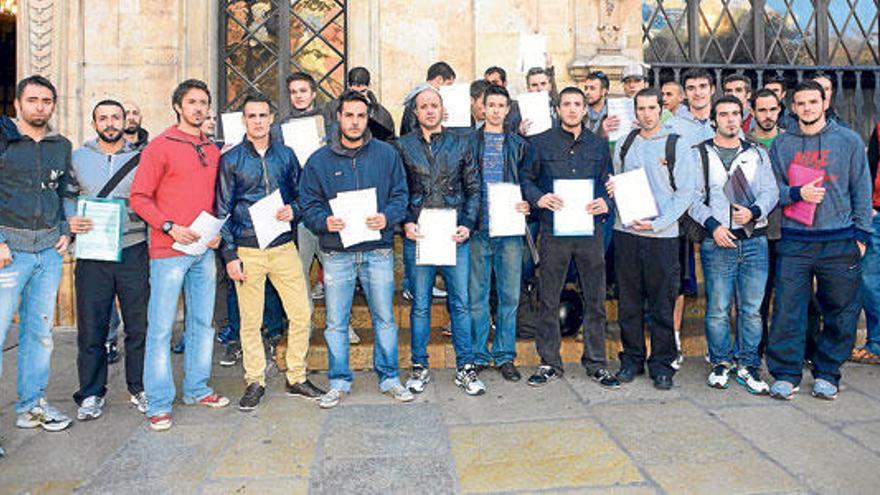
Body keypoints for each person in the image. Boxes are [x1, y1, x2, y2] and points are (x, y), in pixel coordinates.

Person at [300, 90, 414, 408]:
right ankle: (338, 381)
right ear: (338, 117)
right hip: (337, 253)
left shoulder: (387, 155)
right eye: (349, 115)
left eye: (361, 116)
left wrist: (388, 217)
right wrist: (324, 221)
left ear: (369, 118)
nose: (354, 122)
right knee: (336, 321)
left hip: (377, 250)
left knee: (385, 319)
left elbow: (401, 195)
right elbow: (307, 202)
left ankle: (390, 377)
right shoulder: (318, 160)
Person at [131, 79, 230, 431]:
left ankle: (197, 388)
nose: (199, 108)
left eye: (204, 102)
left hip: (203, 250)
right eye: (192, 102)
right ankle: (158, 402)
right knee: (160, 328)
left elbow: (218, 199)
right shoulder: (159, 147)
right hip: (168, 249)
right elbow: (139, 197)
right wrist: (169, 226)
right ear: (178, 106)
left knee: (203, 323)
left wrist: (218, 234)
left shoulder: (213, 149)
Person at [215, 93, 325, 411]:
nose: (259, 121)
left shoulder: (287, 155)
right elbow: (221, 210)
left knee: (301, 313)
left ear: (272, 118)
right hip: (248, 249)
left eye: (263, 115)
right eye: (252, 116)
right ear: (244, 121)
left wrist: (294, 209)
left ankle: (296, 376)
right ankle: (255, 380)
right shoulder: (231, 159)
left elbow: (305, 195)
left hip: (282, 247)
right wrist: (230, 255)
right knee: (250, 321)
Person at [766, 81, 873, 400]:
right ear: (793, 107)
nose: (808, 108)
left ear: (824, 102)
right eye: (801, 103)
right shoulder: (782, 145)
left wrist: (862, 234)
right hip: (795, 241)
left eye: (813, 101)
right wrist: (797, 193)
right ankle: (786, 372)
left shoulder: (849, 141)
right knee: (788, 308)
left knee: (841, 310)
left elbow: (862, 190)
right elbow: (771, 192)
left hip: (839, 240)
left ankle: (828, 371)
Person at [520, 87, 617, 388]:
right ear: (557, 109)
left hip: (589, 231)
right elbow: (525, 179)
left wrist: (606, 202)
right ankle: (549, 361)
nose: (572, 109)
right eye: (567, 104)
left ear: (585, 109)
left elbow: (608, 184)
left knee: (595, 299)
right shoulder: (540, 143)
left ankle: (596, 362)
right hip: (553, 230)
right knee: (548, 298)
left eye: (578, 104)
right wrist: (539, 197)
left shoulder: (599, 146)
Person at [606, 88, 698, 390]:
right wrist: (613, 191)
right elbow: (617, 181)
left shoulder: (676, 144)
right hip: (627, 233)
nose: (646, 114)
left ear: (661, 110)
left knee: (662, 301)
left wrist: (658, 223)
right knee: (629, 301)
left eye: (651, 108)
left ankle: (662, 364)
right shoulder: (624, 143)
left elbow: (685, 192)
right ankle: (631, 358)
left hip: (662, 236)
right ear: (635, 111)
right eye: (641, 108)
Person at [397, 86, 486, 396]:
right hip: (418, 235)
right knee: (420, 305)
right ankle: (419, 367)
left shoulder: (460, 144)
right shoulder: (403, 146)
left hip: (453, 234)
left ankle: (466, 367)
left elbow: (474, 189)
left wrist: (467, 224)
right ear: (416, 112)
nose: (430, 110)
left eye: (435, 105)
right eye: (424, 106)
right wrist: (405, 221)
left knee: (460, 303)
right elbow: (398, 191)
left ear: (442, 109)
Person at [0, 76, 75, 444]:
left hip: (47, 251)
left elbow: (65, 190)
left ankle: (32, 406)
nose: (40, 106)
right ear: (18, 104)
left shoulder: (61, 145)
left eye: (47, 100)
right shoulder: (3, 138)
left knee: (40, 333)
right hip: (7, 253)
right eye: (33, 100)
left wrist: (66, 228)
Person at [66, 99, 149, 420]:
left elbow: (151, 196)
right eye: (104, 118)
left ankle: (138, 387)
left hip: (133, 248)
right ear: (94, 123)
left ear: (124, 121)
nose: (111, 123)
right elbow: (66, 195)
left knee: (138, 324)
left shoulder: (141, 158)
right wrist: (71, 219)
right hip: (93, 252)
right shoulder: (78, 157)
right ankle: (90, 393)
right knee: (92, 327)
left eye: (116, 117)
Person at [689, 95, 778, 393]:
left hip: (754, 240)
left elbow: (771, 191)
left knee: (751, 309)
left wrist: (754, 212)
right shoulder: (699, 154)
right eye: (723, 114)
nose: (729, 119)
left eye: (734, 114)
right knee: (718, 308)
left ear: (742, 117)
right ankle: (721, 362)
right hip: (718, 241)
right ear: (714, 120)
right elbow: (691, 198)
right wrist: (713, 226)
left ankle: (749, 364)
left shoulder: (757, 153)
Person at [468, 85, 533, 382]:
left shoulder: (520, 145)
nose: (495, 110)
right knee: (477, 295)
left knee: (509, 295)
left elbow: (530, 181)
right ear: (482, 108)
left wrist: (527, 202)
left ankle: (505, 355)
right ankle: (480, 354)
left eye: (500, 105)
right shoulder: (469, 143)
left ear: (508, 110)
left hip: (509, 230)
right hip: (479, 228)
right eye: (490, 104)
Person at [748, 89, 785, 354]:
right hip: (757, 231)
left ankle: (793, 348)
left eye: (772, 109)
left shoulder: (789, 141)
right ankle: (756, 348)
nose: (767, 115)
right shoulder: (744, 144)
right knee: (757, 296)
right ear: (752, 112)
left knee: (790, 296)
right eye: (762, 110)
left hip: (788, 229)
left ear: (780, 110)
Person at [851, 120, 880, 363]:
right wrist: (867, 206)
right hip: (877, 215)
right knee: (870, 283)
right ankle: (876, 343)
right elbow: (869, 171)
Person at [324, 66, 396, 142]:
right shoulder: (331, 109)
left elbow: (390, 144)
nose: (358, 96)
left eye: (362, 91)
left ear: (369, 86)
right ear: (348, 86)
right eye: (354, 92)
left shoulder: (381, 115)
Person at [399, 61, 456, 137]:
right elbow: (414, 127)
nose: (450, 89)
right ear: (439, 79)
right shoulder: (424, 96)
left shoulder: (418, 94)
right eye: (449, 84)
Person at [483, 65, 522, 133]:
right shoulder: (481, 107)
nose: (491, 86)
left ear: (504, 83)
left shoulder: (517, 108)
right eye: (487, 83)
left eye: (495, 82)